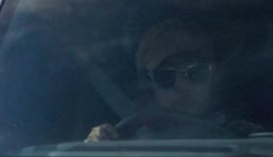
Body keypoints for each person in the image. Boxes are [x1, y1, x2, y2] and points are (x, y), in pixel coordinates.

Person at [86, 18, 242, 141]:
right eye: (166, 76)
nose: (182, 86)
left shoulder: (244, 140)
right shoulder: (123, 138)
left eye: (196, 73)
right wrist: (96, 146)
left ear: (213, 79)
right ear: (148, 85)